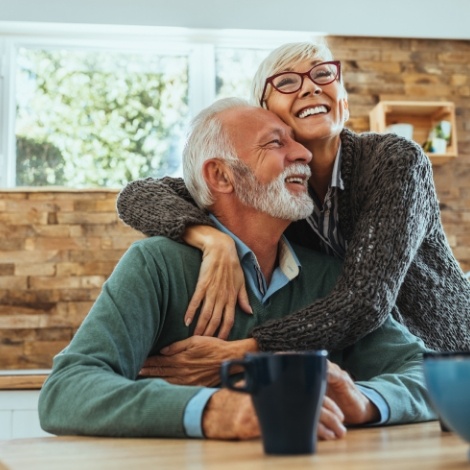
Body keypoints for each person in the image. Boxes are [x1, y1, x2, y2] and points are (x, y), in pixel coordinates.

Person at [39, 98, 435, 440]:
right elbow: (67, 389)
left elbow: (428, 374)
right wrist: (216, 410)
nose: (304, 154)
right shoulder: (156, 265)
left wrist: (364, 401)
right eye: (276, 143)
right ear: (221, 175)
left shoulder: (329, 277)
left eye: (296, 141)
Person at [117, 41, 470, 356]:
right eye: (287, 81)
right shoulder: (273, 190)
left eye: (323, 74)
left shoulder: (395, 161)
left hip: (443, 356)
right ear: (265, 112)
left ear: (343, 102)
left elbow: (365, 300)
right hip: (361, 360)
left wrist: (249, 350)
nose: (311, 86)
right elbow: (139, 195)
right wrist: (212, 240)